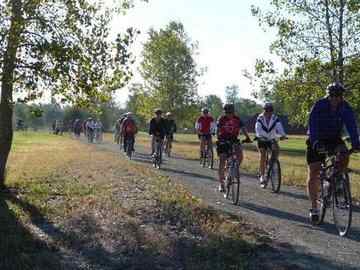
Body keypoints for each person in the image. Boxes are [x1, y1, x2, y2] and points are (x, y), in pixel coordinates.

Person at [306, 82, 360, 223]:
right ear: (328, 95)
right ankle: (314, 208)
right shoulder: (319, 105)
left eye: (339, 96)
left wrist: (356, 143)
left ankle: (336, 181)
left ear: (342, 97)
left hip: (334, 138)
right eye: (333, 96)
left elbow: (351, 125)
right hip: (316, 138)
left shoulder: (345, 107)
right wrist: (316, 142)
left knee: (344, 154)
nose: (335, 98)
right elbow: (312, 125)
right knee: (314, 171)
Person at [216, 104, 252, 192]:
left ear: (233, 112)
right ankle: (221, 183)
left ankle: (232, 172)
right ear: (224, 112)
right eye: (227, 113)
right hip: (223, 139)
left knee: (240, 156)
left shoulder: (237, 119)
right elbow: (217, 130)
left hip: (233, 139)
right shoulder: (221, 119)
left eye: (231, 113)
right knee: (222, 159)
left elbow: (243, 128)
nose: (229, 114)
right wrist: (219, 138)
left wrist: (247, 137)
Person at [255, 103, 287, 186]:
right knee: (263, 154)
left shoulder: (275, 118)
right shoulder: (260, 118)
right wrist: (260, 136)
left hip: (272, 139)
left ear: (272, 111)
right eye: (267, 111)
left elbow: (279, 127)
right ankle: (262, 175)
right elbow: (258, 129)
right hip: (262, 139)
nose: (268, 113)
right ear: (264, 110)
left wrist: (283, 135)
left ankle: (272, 163)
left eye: (270, 111)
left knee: (276, 150)